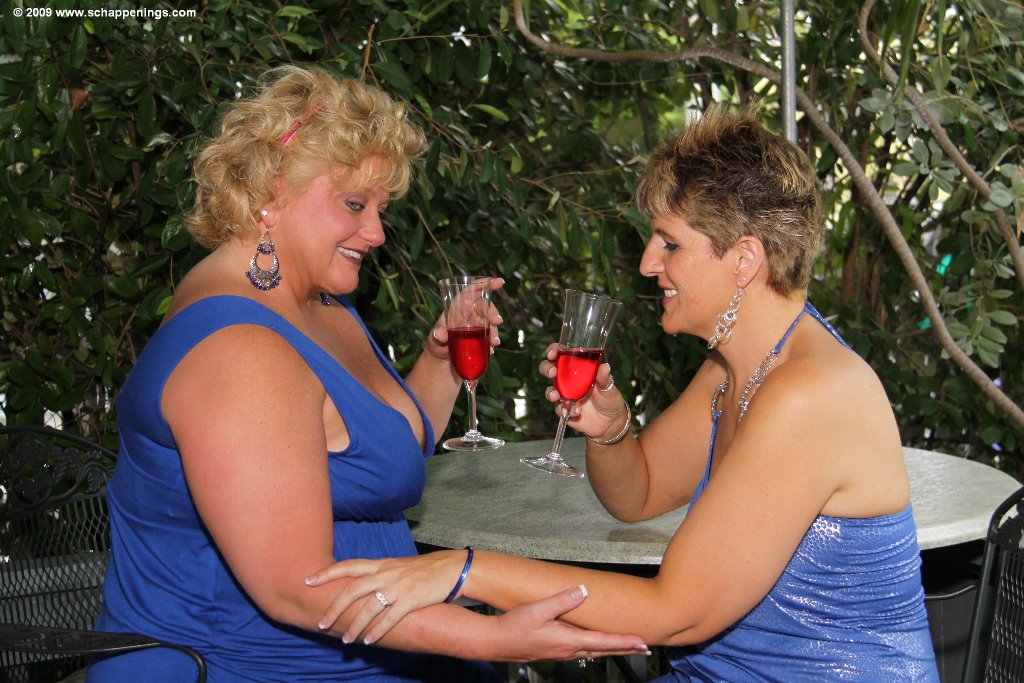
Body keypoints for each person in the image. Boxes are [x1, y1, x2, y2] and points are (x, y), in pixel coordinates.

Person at [307, 104, 941, 681]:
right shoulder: (735, 369)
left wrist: (463, 568)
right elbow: (638, 496)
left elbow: (674, 613)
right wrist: (611, 432)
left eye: (670, 243)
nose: (646, 263)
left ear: (745, 260)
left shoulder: (810, 393)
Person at [87, 65, 648, 682]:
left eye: (382, 208)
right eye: (355, 204)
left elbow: (379, 454)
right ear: (271, 191)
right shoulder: (239, 349)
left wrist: (440, 362)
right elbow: (298, 588)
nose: (377, 233)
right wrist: (492, 637)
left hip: (377, 643)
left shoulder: (321, 304)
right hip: (256, 666)